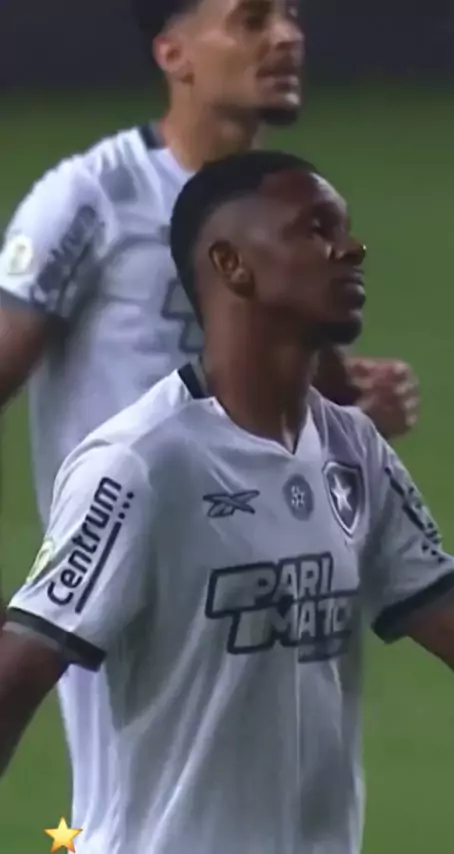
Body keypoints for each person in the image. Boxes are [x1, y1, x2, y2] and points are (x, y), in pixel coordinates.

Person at [0, 0, 416, 830]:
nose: (287, 36)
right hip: (131, 596)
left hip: (263, 581)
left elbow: (303, 393)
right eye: (251, 19)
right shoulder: (96, 197)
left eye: (290, 16)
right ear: (174, 53)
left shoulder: (280, 218)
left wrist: (355, 405)